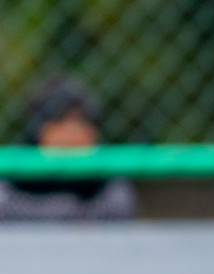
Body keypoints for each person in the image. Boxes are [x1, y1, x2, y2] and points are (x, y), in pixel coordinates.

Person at [0, 78, 135, 222]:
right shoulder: (13, 179)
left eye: (81, 121)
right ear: (38, 128)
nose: (73, 132)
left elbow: (119, 210)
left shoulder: (107, 182)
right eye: (61, 120)